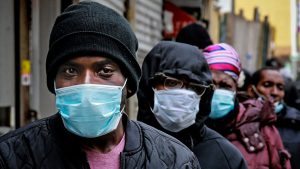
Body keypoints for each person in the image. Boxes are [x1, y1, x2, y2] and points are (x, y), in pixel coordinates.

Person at [0, 2, 201, 169]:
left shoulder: (175, 161)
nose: (86, 84)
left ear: (128, 84)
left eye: (104, 71)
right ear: (54, 82)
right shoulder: (12, 157)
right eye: (71, 71)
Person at [137, 41, 247, 169]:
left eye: (195, 88)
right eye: (172, 83)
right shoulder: (123, 145)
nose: (184, 94)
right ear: (149, 86)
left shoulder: (227, 158)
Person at [203, 43, 291, 169]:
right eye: (210, 84)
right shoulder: (186, 125)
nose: (216, 91)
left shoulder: (264, 130)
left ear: (236, 88)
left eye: (225, 85)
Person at [250, 67, 300, 169]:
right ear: (251, 90)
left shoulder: (296, 123)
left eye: (280, 87)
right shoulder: (237, 120)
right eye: (267, 85)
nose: (275, 92)